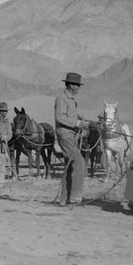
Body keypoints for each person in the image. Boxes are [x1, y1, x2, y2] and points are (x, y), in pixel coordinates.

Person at [54, 72, 89, 206]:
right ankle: (75, 198)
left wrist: (83, 122)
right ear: (70, 85)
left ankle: (64, 199)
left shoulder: (71, 99)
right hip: (65, 135)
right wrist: (77, 123)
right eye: (77, 85)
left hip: (71, 135)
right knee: (79, 163)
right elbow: (60, 117)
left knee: (69, 166)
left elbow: (69, 117)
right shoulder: (62, 98)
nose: (79, 87)